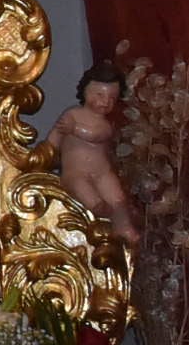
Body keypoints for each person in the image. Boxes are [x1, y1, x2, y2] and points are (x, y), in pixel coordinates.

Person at [48, 60, 139, 246]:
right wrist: (46, 152)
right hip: (76, 173)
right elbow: (56, 135)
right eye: (99, 95)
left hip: (102, 173)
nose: (105, 102)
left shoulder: (104, 124)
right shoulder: (72, 114)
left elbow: (96, 135)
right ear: (85, 91)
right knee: (92, 201)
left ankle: (124, 227)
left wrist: (75, 129)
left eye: (112, 98)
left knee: (118, 198)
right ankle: (101, 221)